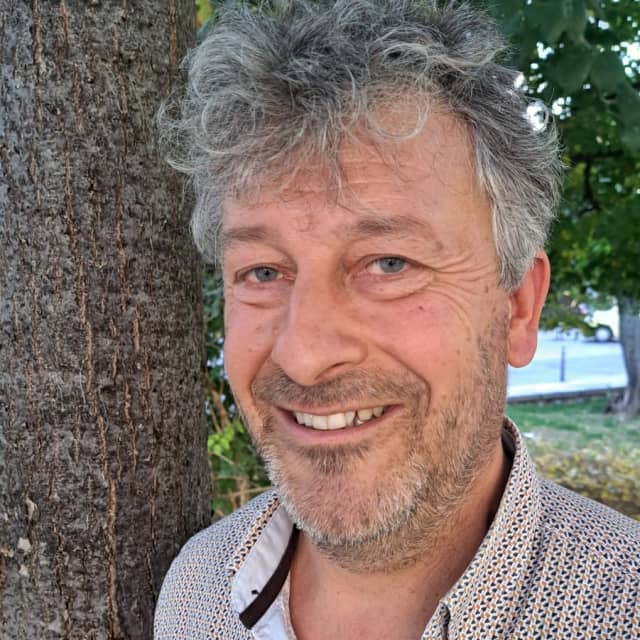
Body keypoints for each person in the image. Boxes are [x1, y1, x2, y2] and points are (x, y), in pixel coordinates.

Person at [154, 1, 640, 638]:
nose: (304, 355)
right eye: (264, 272)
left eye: (389, 263)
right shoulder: (194, 593)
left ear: (517, 307)